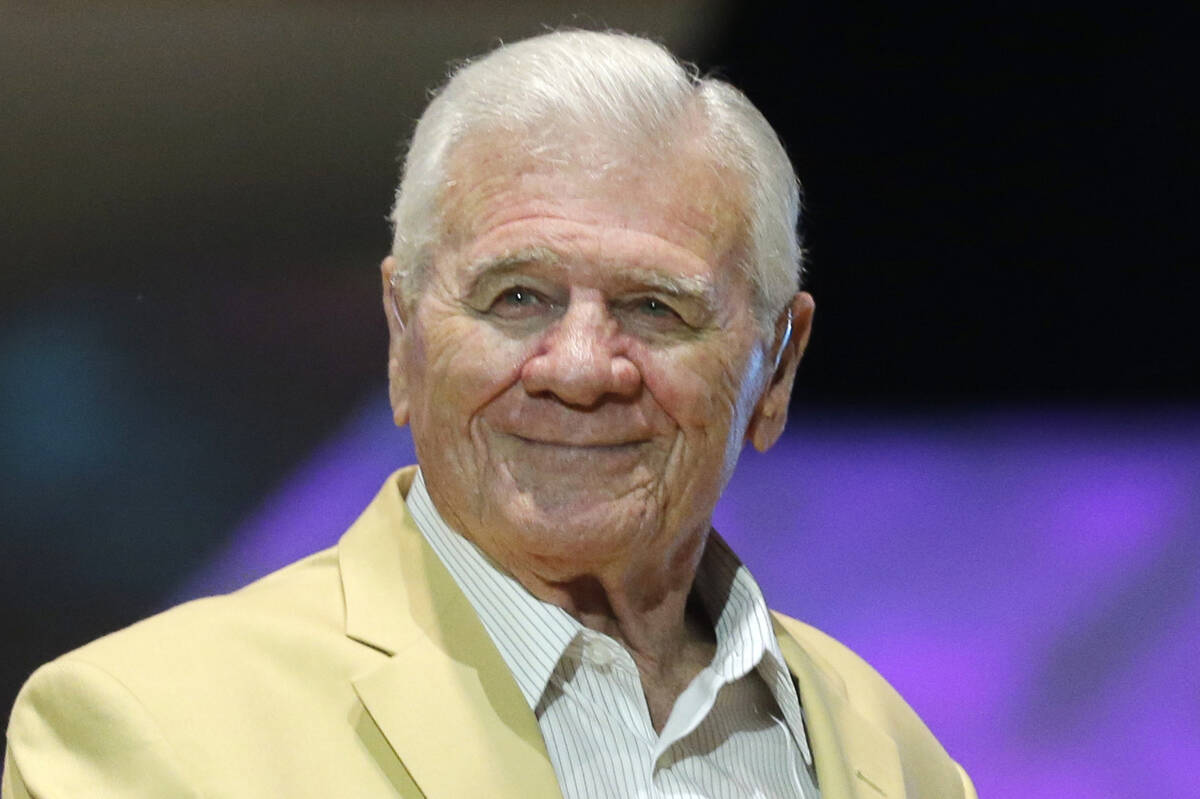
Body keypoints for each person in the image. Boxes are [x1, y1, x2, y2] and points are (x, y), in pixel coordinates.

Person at [3, 30, 975, 799]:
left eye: (655, 308)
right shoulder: (151, 726)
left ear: (776, 366)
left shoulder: (888, 752)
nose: (583, 368)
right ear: (403, 335)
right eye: (517, 298)